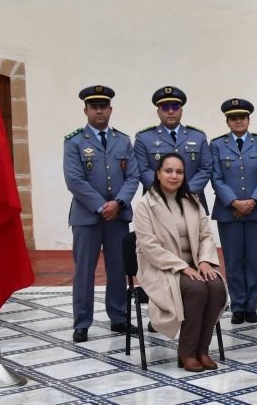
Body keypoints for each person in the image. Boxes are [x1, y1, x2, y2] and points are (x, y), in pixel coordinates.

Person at [133, 153, 227, 372]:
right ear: (158, 173)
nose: (174, 176)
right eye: (168, 171)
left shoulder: (192, 200)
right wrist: (182, 267)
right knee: (197, 289)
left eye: (179, 172)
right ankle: (187, 352)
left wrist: (205, 261)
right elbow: (149, 246)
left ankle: (202, 350)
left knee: (216, 286)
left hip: (194, 265)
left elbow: (206, 235)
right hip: (162, 267)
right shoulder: (145, 204)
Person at [63, 85, 140, 343]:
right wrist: (101, 205)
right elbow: (74, 180)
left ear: (110, 109)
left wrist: (118, 203)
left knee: (118, 268)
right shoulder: (74, 141)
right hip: (87, 218)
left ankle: (119, 317)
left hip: (117, 217)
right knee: (84, 271)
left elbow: (132, 176)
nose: (99, 111)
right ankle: (82, 322)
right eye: (94, 107)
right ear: (85, 110)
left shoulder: (123, 140)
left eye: (103, 106)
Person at [210, 98, 257, 325]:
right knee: (233, 260)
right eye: (233, 118)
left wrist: (252, 202)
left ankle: (251, 305)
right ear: (227, 121)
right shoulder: (217, 145)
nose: (238, 121)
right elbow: (216, 178)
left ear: (248, 120)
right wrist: (235, 203)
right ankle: (238, 305)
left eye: (242, 117)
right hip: (229, 212)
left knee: (254, 260)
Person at [135, 86, 213, 213]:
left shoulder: (198, 136)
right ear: (158, 112)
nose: (170, 111)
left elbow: (206, 168)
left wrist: (187, 191)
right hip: (157, 203)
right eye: (165, 108)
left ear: (181, 111)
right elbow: (142, 169)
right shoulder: (144, 138)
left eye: (175, 107)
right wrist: (163, 192)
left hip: (192, 200)